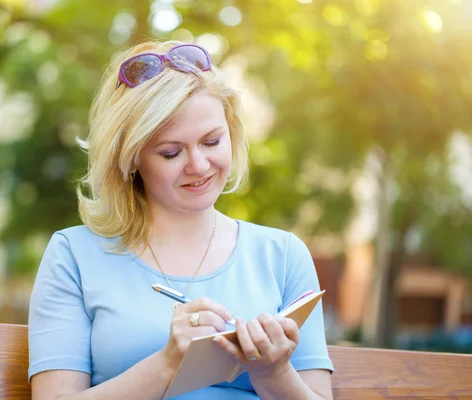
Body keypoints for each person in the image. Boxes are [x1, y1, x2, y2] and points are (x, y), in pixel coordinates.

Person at [28, 41, 334, 400]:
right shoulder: (74, 255)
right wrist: (168, 363)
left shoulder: (282, 254)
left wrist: (274, 373)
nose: (199, 166)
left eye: (212, 141)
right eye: (171, 152)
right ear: (130, 158)